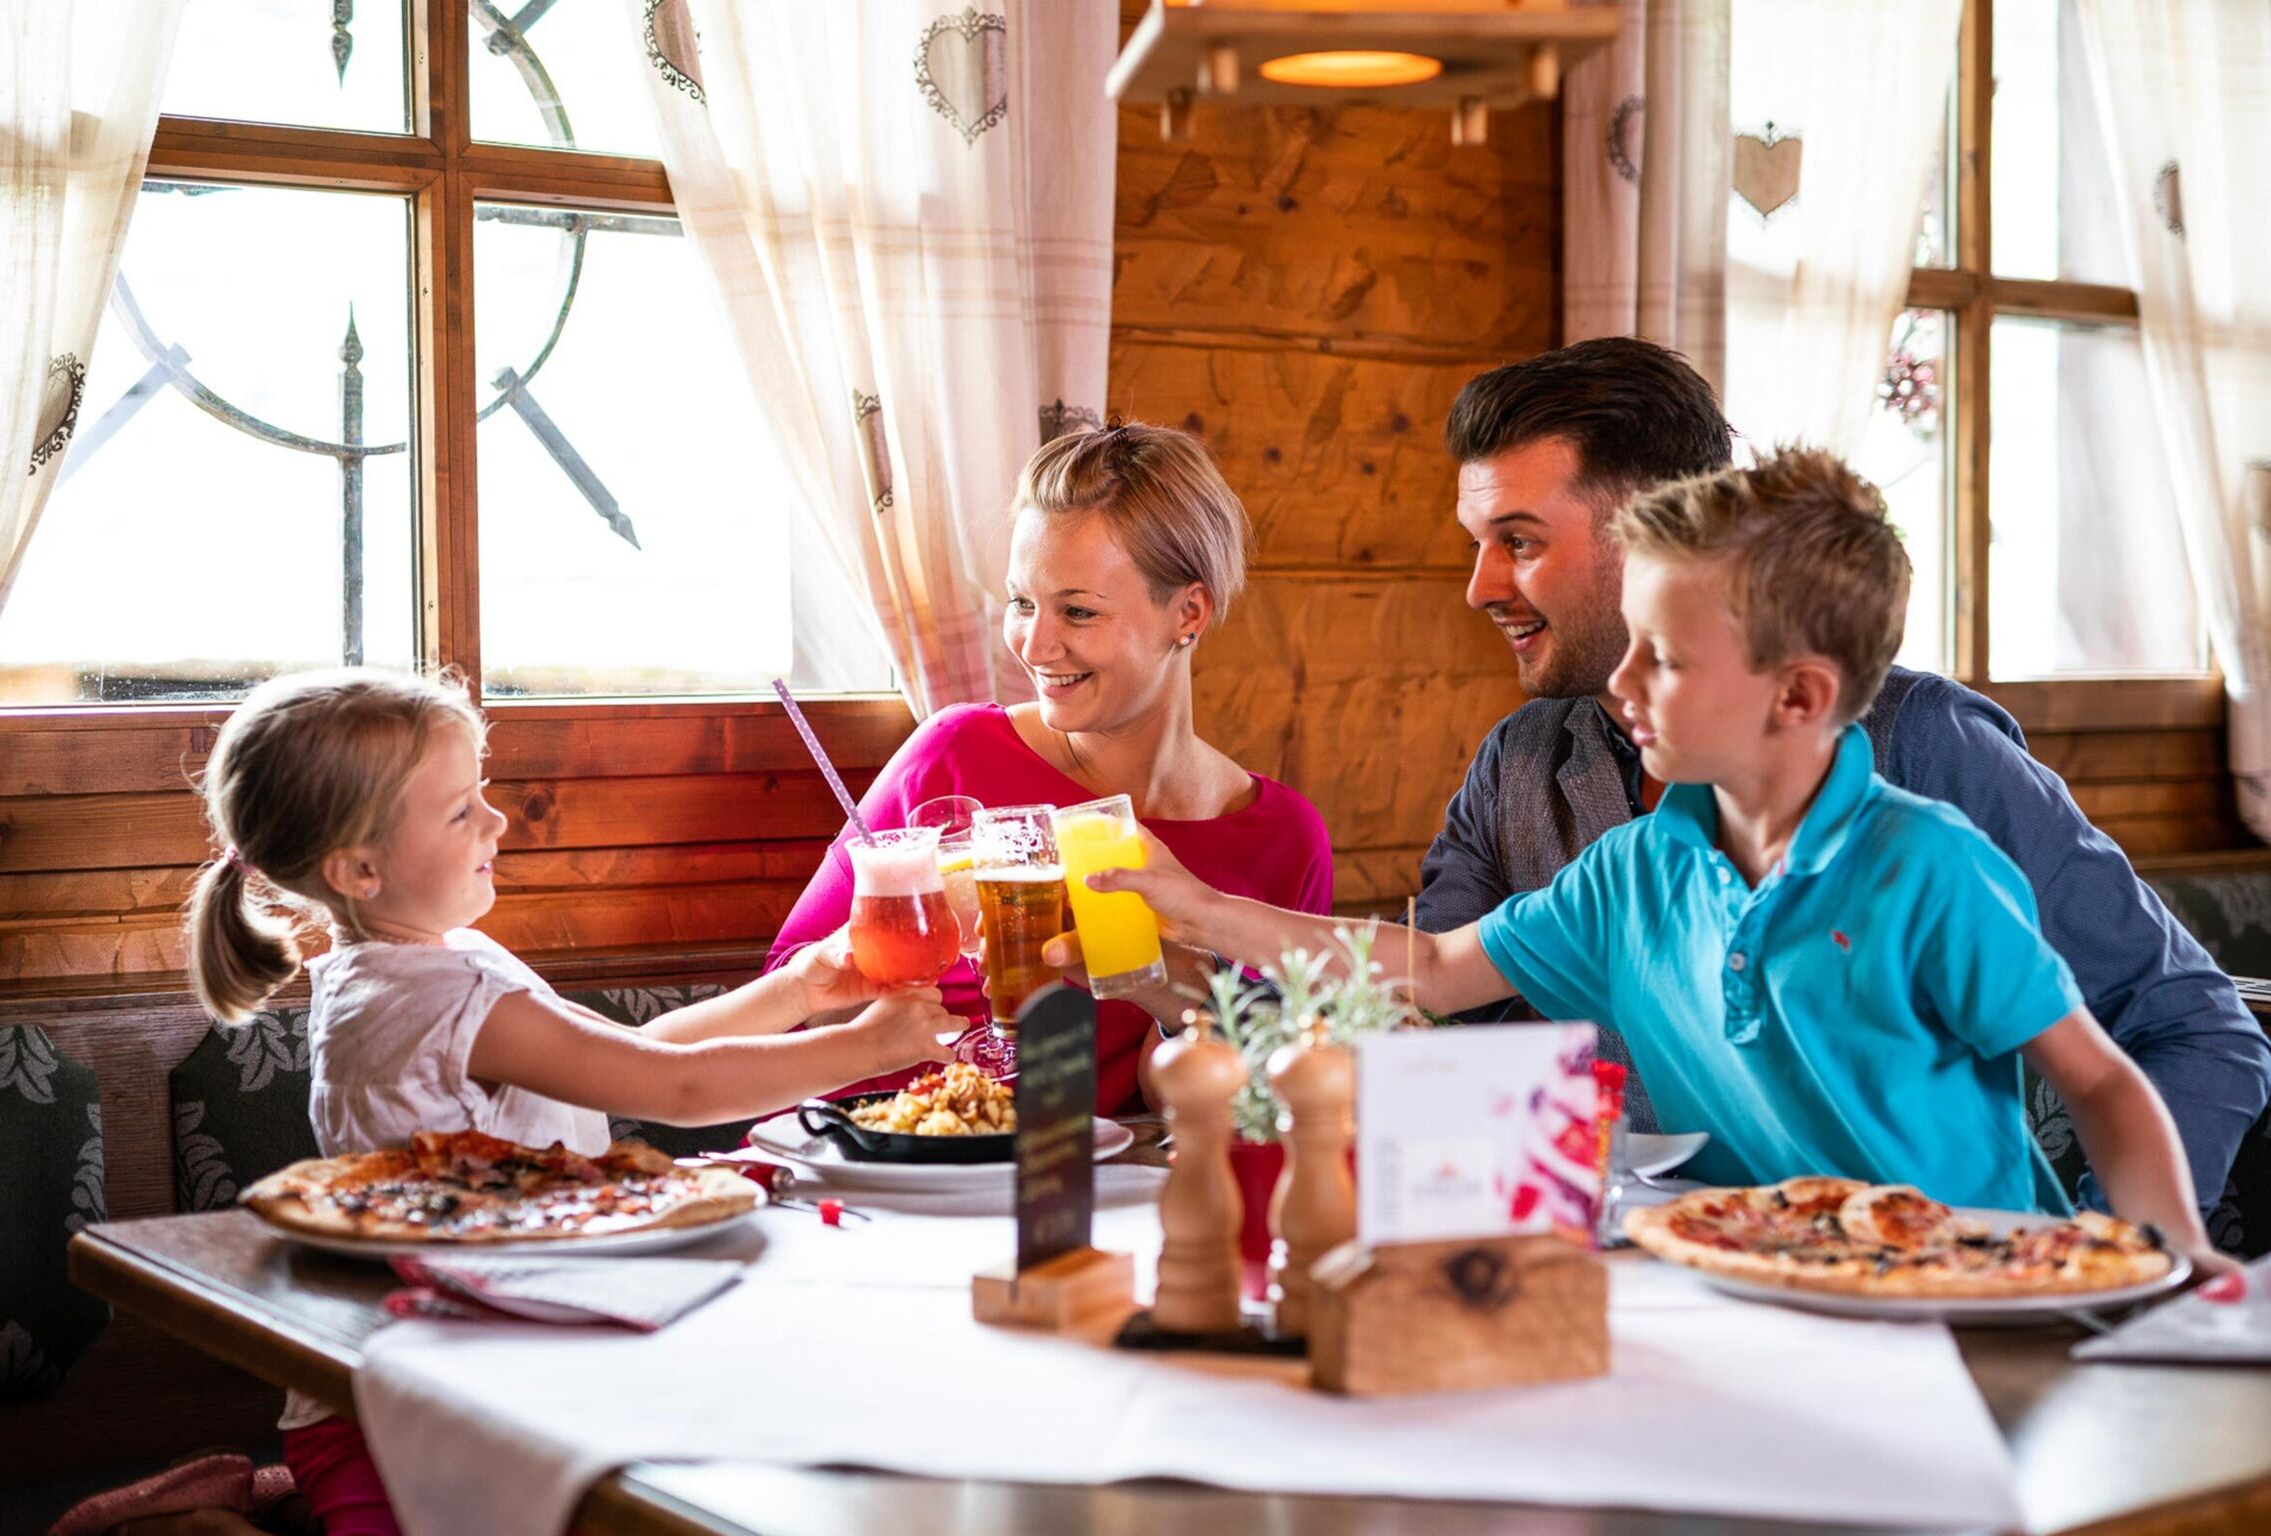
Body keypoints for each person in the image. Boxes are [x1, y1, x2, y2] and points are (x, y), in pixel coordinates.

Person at [1092, 449, 2231, 1275]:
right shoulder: (1634, 871)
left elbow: (2102, 1082)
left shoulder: (1931, 865)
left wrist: (2163, 1268)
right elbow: (1431, 968)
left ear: (1799, 696)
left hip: (1967, 1295)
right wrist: (1195, 906)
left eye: (1665, 657)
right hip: (1749, 1285)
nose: (1623, 682)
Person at [1419, 336, 2269, 1214]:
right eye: (1479, 543)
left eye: (1517, 541)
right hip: (1648, 1294)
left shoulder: (1930, 749)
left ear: (1656, 530)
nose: (1478, 586)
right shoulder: (1517, 765)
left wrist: (2107, 1269)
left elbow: (2190, 1026)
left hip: (1928, 1293)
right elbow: (1430, 1002)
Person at [185, 669, 954, 1536]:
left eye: (483, 795)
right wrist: (864, 1047)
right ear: (359, 868)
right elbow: (677, 1090)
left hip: (500, 1345)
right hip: (392, 1399)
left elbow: (635, 1058)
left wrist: (800, 995)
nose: (498, 821)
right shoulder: (430, 998)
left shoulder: (431, 964)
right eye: (460, 810)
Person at [766, 424, 1333, 1116]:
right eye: (1021, 602)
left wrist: (1170, 982)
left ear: (1187, 613)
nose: (1034, 644)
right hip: (858, 1170)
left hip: (1093, 1199)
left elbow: (1264, 1108)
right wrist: (908, 932)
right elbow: (783, 1007)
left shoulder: (1282, 840)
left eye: (1077, 611)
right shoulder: (955, 753)